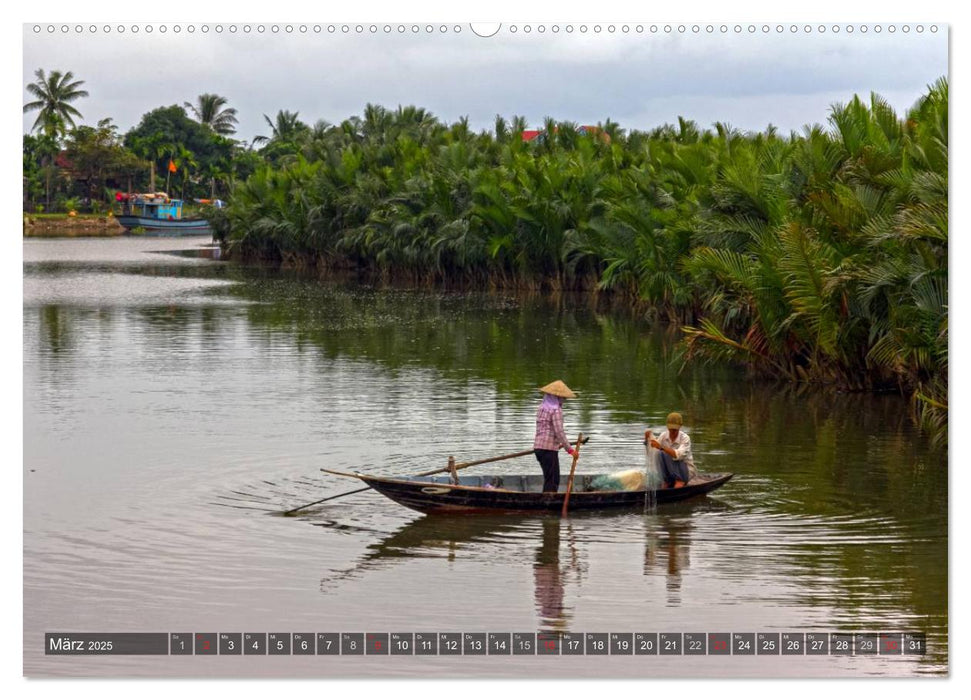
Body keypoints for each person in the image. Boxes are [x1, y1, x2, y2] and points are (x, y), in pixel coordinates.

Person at [533, 380, 577, 493]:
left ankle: (545, 502)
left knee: (549, 479)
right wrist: (570, 450)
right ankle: (547, 506)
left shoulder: (541, 408)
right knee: (553, 480)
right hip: (548, 450)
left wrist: (560, 444)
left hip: (538, 448)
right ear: (557, 397)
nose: (564, 400)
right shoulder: (556, 410)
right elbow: (559, 432)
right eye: (563, 398)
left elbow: (545, 429)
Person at [645, 412, 695, 488]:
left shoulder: (685, 438)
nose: (672, 432)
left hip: (685, 472)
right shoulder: (663, 436)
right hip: (670, 472)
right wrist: (647, 440)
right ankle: (666, 481)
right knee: (659, 454)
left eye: (675, 430)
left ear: (680, 427)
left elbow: (679, 455)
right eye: (671, 429)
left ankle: (679, 481)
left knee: (666, 452)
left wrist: (661, 447)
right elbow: (653, 453)